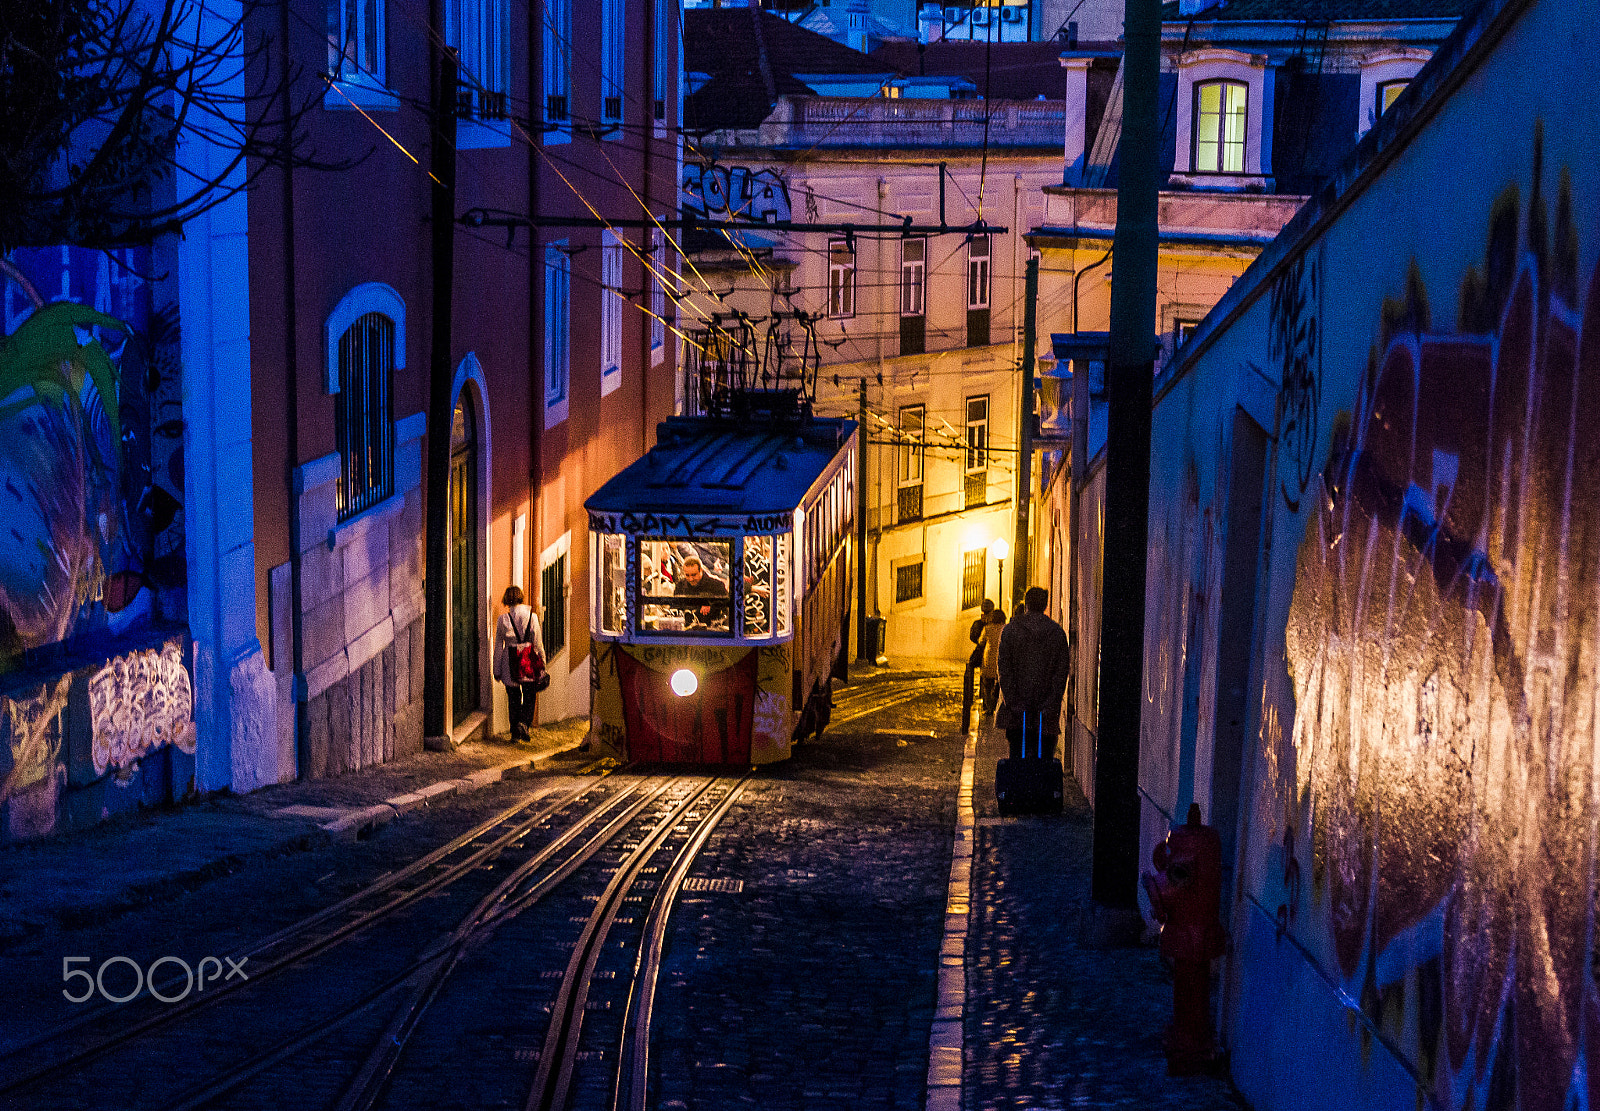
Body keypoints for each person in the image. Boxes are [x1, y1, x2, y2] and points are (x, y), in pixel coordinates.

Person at [995, 586, 1071, 761]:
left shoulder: (1010, 631)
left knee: (1017, 757)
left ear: (1026, 603)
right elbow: (1061, 673)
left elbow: (1004, 670)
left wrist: (1013, 701)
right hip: (1046, 714)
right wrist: (1051, 703)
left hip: (1016, 713)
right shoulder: (1057, 633)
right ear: (1045, 605)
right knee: (1044, 760)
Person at [493, 585, 543, 742]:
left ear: (507, 599)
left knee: (513, 698)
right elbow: (538, 643)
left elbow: (498, 646)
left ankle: (515, 733)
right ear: (521, 597)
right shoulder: (532, 617)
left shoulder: (503, 619)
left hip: (509, 663)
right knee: (530, 695)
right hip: (527, 661)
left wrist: (497, 669)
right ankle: (524, 723)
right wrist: (542, 664)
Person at [961, 599, 996, 730]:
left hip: (985, 655)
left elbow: (974, 637)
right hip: (989, 656)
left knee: (986, 680)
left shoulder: (983, 624)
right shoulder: (992, 624)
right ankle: (988, 704)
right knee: (988, 680)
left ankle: (987, 705)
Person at [673, 554, 727, 623]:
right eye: (687, 575)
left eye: (694, 575)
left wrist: (711, 604)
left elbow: (726, 605)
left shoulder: (716, 585)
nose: (691, 579)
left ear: (701, 570)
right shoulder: (680, 586)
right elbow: (674, 607)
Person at [978, 608, 1006, 716]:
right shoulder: (1005, 628)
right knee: (999, 685)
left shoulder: (987, 628)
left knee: (987, 686)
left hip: (988, 659)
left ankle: (988, 708)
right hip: (1000, 659)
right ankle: (996, 706)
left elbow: (981, 641)